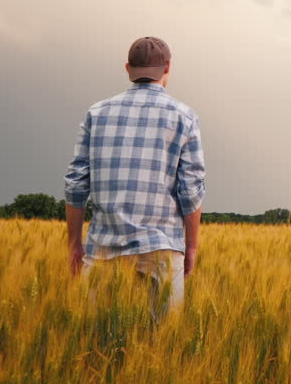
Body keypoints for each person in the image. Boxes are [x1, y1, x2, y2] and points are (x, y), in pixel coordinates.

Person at [63, 36, 206, 316]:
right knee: (165, 340)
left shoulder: (97, 113)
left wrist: (74, 245)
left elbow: (76, 183)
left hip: (104, 245)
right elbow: (190, 190)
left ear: (128, 69)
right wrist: (190, 247)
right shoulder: (184, 116)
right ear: (168, 68)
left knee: (96, 339)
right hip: (163, 245)